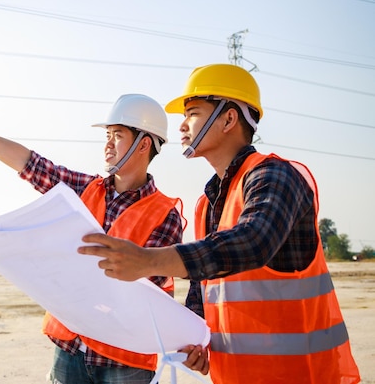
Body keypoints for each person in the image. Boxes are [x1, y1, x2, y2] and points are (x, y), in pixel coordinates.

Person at [78, 64, 361, 384]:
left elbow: (253, 241)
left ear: (229, 118)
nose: (182, 126)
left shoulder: (276, 176)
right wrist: (199, 340)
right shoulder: (209, 203)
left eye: (193, 113)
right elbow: (205, 290)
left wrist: (148, 261)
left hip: (299, 375)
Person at [0, 94, 186, 384]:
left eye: (118, 135)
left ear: (144, 144)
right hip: (70, 352)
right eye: (107, 135)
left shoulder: (165, 215)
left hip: (125, 361)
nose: (108, 144)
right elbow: (30, 164)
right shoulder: (84, 189)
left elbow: (145, 294)